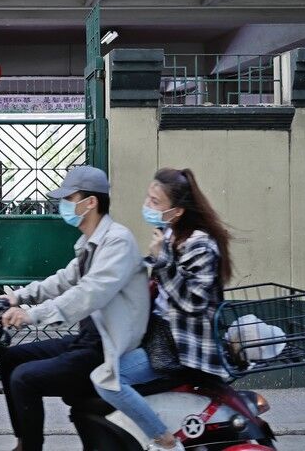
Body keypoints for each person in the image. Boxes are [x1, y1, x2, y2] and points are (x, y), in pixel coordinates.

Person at [0, 165, 149, 451]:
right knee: (10, 360)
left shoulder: (117, 241)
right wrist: (17, 297)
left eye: (69, 198)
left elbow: (88, 293)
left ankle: (30, 449)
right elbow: (64, 280)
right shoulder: (91, 243)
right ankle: (23, 442)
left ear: (90, 202)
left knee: (24, 379)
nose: (63, 205)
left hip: (106, 348)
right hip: (88, 339)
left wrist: (32, 315)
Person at [94, 167, 234, 451]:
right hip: (162, 337)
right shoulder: (170, 236)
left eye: (155, 202)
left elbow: (192, 303)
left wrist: (162, 261)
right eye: (148, 198)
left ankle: (164, 439)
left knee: (108, 379)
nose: (147, 206)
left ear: (178, 211)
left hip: (182, 347)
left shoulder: (200, 245)